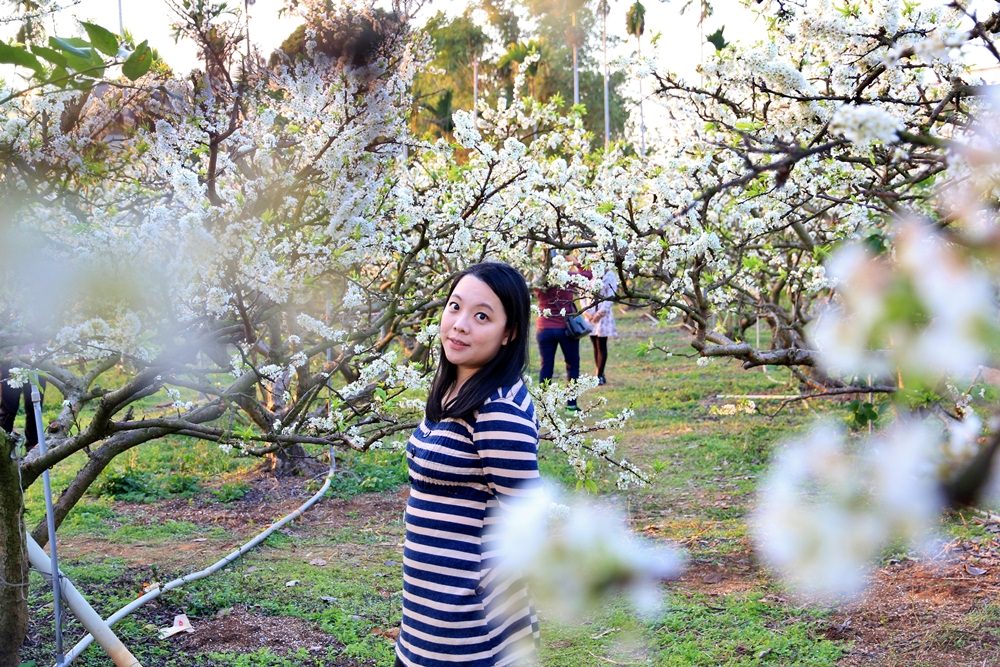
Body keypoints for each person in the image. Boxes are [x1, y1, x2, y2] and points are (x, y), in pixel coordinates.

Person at [395, 262, 541, 667]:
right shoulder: (452, 389)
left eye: (482, 316)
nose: (460, 325)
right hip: (427, 615)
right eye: (455, 307)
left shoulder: (499, 413)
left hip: (471, 629)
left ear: (509, 332)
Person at [534, 252, 591, 411]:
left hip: (544, 328)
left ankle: (544, 405)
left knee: (546, 366)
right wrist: (574, 261)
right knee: (572, 365)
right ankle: (571, 404)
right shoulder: (567, 276)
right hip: (566, 328)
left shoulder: (540, 280)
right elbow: (588, 275)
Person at [583, 269, 619, 386]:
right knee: (595, 345)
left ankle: (599, 375)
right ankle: (599, 372)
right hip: (590, 314)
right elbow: (582, 294)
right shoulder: (590, 273)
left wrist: (600, 313)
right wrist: (586, 312)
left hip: (603, 316)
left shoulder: (610, 275)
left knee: (601, 345)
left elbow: (611, 295)